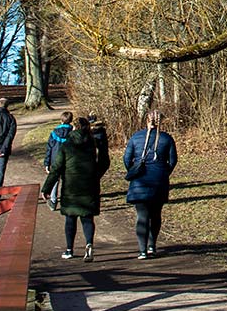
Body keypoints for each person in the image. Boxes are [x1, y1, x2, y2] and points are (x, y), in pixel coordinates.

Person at [42, 117, 111, 261]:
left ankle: (69, 249)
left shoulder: (67, 145)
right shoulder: (93, 143)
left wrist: (47, 188)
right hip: (89, 185)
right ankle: (89, 244)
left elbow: (56, 168)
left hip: (71, 186)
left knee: (70, 219)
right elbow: (104, 161)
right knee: (87, 218)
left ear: (74, 128)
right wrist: (96, 174)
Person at [123, 110, 177, 259]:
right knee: (156, 215)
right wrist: (164, 172)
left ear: (146, 120)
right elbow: (173, 161)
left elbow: (126, 159)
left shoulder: (135, 137)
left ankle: (142, 250)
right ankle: (152, 245)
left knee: (142, 216)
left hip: (139, 182)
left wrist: (134, 171)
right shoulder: (167, 139)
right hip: (159, 182)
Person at [43, 111, 74, 210]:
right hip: (68, 160)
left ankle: (53, 200)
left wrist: (47, 163)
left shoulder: (54, 133)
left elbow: (49, 148)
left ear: (61, 120)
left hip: (55, 160)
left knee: (55, 180)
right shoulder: (73, 133)